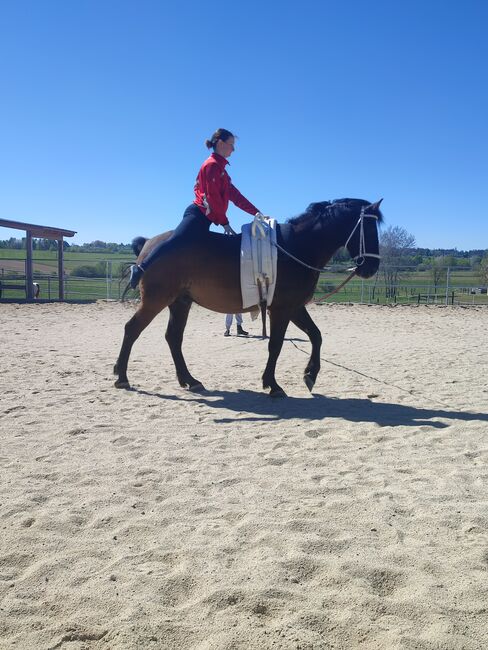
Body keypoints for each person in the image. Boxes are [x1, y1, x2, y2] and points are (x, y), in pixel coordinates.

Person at [130, 128, 267, 288]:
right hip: (197, 215)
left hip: (208, 218)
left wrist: (256, 212)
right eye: (231, 145)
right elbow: (212, 198)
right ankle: (140, 269)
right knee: (177, 240)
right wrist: (224, 222)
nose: (233, 149)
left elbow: (235, 196)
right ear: (221, 143)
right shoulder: (212, 166)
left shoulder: (221, 170)